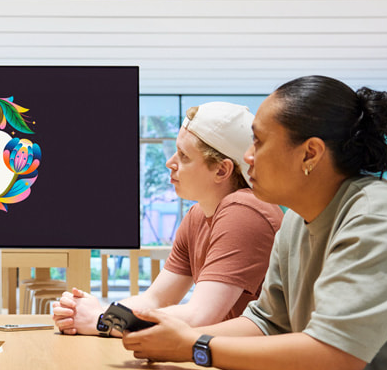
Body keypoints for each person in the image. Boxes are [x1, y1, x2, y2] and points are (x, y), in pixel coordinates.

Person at [124, 76, 387, 370]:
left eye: (258, 142)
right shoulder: (298, 220)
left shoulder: (381, 219)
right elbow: (267, 322)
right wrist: (177, 339)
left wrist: (194, 346)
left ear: (310, 154)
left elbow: (333, 357)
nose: (247, 156)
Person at [53, 102, 283, 335]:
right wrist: (91, 313)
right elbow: (155, 300)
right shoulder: (197, 216)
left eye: (184, 156)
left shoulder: (244, 211)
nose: (170, 163)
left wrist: (101, 320)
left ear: (221, 170)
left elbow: (199, 316)